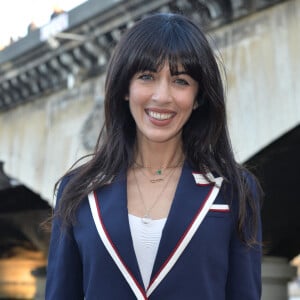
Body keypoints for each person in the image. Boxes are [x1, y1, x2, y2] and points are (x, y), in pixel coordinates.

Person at [45, 13, 262, 299]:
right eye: (147, 77)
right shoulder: (78, 191)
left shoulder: (234, 191)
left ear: (198, 97)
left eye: (181, 81)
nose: (162, 96)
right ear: (125, 88)